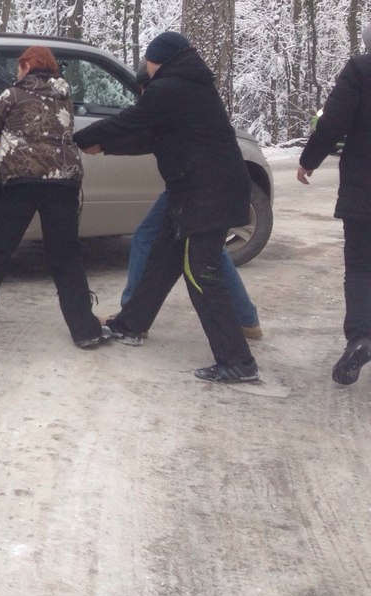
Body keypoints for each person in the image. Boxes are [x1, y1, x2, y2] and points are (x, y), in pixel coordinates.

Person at [75, 31, 258, 383]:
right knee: (163, 256)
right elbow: (151, 137)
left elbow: (132, 121)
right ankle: (131, 324)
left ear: (159, 59)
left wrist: (87, 136)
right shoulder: (187, 86)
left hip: (208, 193)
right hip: (195, 189)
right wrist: (104, 146)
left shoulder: (170, 87)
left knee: (199, 271)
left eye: (148, 60)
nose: (146, 66)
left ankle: (238, 360)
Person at [0, 45, 105, 349]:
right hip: (63, 182)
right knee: (66, 256)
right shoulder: (65, 97)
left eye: (19, 67)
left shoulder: (13, 94)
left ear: (25, 66)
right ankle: (85, 330)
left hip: (21, 181)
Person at [116, 69, 262, 340]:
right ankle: (246, 319)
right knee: (204, 249)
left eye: (144, 93)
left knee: (160, 242)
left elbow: (142, 135)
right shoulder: (190, 97)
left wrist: (100, 139)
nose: (142, 100)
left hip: (195, 189)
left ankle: (131, 316)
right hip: (197, 185)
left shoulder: (169, 104)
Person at [298, 23, 371, 385]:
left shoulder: (360, 69)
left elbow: (333, 122)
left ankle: (360, 336)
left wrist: (309, 159)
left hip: (364, 189)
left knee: (360, 266)